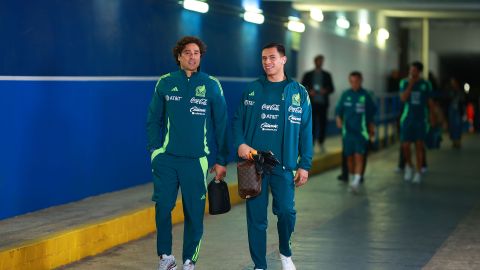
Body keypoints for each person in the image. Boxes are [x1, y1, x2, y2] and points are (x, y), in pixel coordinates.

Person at [146, 36, 229, 270]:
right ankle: (165, 258)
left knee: (194, 213)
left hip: (196, 161)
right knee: (163, 206)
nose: (192, 57)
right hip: (167, 160)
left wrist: (222, 160)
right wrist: (155, 151)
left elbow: (221, 124)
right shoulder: (165, 82)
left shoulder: (211, 84)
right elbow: (154, 119)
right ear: (179, 57)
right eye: (187, 53)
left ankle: (189, 261)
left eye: (196, 53)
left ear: (201, 57)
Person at [232, 43, 313, 270]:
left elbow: (306, 130)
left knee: (286, 212)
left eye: (272, 58)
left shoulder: (298, 92)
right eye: (264, 58)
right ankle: (260, 265)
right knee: (256, 219)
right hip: (254, 164)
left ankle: (285, 252)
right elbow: (237, 120)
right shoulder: (253, 89)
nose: (267, 62)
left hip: (284, 165)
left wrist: (304, 164)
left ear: (284, 60)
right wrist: (240, 144)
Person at [335, 71, 376, 192]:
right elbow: (338, 111)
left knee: (359, 156)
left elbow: (371, 115)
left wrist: (372, 130)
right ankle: (353, 178)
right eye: (352, 81)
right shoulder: (345, 94)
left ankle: (357, 181)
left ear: (361, 81)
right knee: (349, 158)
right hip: (347, 133)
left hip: (361, 133)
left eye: (356, 81)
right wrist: (338, 119)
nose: (354, 84)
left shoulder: (366, 95)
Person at [399, 61, 435, 184]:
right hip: (407, 119)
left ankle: (419, 171)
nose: (411, 72)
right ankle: (409, 166)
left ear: (419, 71)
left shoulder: (426, 84)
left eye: (414, 70)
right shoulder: (404, 82)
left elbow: (430, 102)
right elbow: (403, 98)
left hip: (421, 119)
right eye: (410, 70)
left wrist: (432, 116)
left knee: (419, 146)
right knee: (405, 146)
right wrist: (410, 85)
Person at [301, 55, 335, 153]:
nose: (319, 63)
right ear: (315, 62)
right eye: (318, 61)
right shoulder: (308, 74)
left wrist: (326, 90)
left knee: (323, 124)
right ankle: (311, 144)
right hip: (311, 104)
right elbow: (302, 87)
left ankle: (321, 143)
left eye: (321, 61)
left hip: (323, 104)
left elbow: (332, 88)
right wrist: (309, 91)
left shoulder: (327, 75)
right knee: (311, 125)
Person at [446, 78, 465, 148]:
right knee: (452, 126)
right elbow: (447, 100)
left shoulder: (460, 92)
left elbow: (463, 101)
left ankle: (458, 141)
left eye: (454, 82)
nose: (453, 84)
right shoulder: (450, 91)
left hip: (457, 110)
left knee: (458, 125)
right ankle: (454, 141)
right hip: (451, 110)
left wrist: (462, 111)